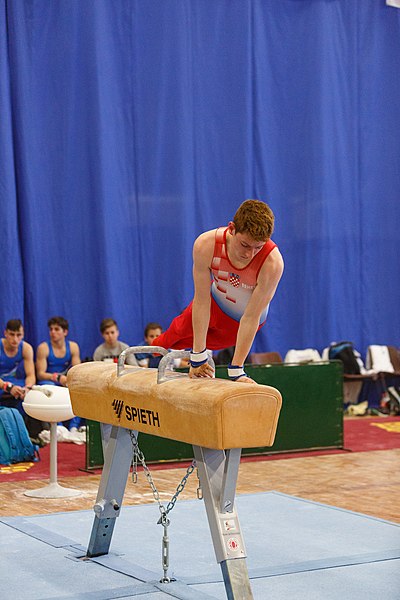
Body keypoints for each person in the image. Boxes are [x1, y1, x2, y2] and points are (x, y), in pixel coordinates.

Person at [153, 199, 284, 383]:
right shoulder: (206, 245)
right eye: (245, 245)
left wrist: (237, 370)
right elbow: (201, 300)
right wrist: (198, 356)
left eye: (258, 247)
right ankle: (144, 355)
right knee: (175, 334)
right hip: (214, 302)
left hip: (242, 320)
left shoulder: (272, 263)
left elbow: (251, 318)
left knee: (213, 341)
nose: (250, 254)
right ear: (231, 228)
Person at [36, 316, 81, 430]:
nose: (52, 332)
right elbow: (40, 374)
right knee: (50, 389)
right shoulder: (43, 348)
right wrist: (57, 377)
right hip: (49, 381)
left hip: (65, 380)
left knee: (80, 388)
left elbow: (77, 371)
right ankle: (58, 426)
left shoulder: (73, 347)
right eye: (51, 329)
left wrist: (68, 380)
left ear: (65, 332)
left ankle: (74, 426)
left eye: (56, 329)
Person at [0, 319, 35, 412]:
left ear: (23, 335)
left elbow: (31, 375)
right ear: (5, 333)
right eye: (12, 334)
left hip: (13, 381)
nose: (15, 339)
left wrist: (27, 388)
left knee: (30, 394)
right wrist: (8, 387)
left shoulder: (26, 348)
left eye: (18, 335)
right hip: (2, 383)